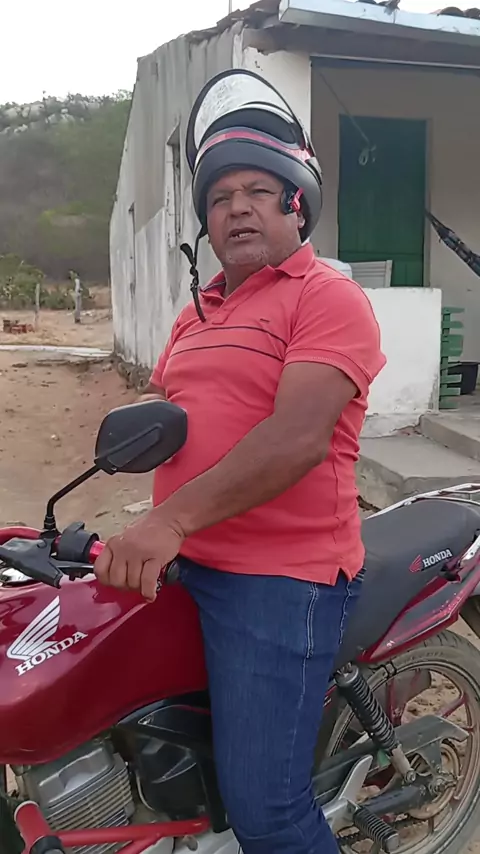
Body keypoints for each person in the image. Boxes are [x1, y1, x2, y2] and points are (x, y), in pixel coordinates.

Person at [95, 73, 386, 854]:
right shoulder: (195, 314)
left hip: (281, 577)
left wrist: (170, 520)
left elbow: (297, 437)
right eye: (221, 197)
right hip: (189, 557)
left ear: (297, 205)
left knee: (269, 814)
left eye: (260, 191)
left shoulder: (327, 297)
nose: (238, 208)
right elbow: (170, 413)